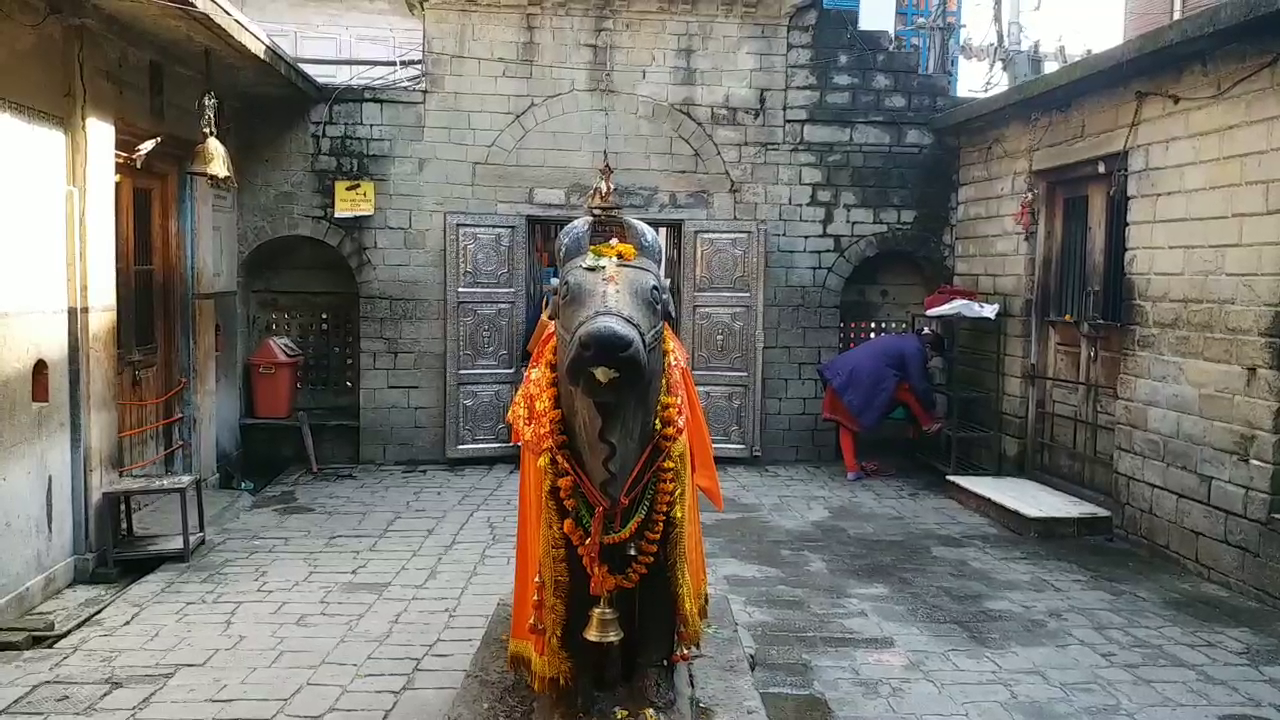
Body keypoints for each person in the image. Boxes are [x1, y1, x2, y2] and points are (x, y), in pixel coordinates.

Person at [818, 328, 945, 481]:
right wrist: (931, 408)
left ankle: (852, 469)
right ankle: (927, 423)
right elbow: (919, 384)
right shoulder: (915, 350)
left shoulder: (903, 340)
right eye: (932, 357)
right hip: (857, 378)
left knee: (846, 422)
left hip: (842, 375)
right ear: (928, 348)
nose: (929, 360)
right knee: (907, 389)